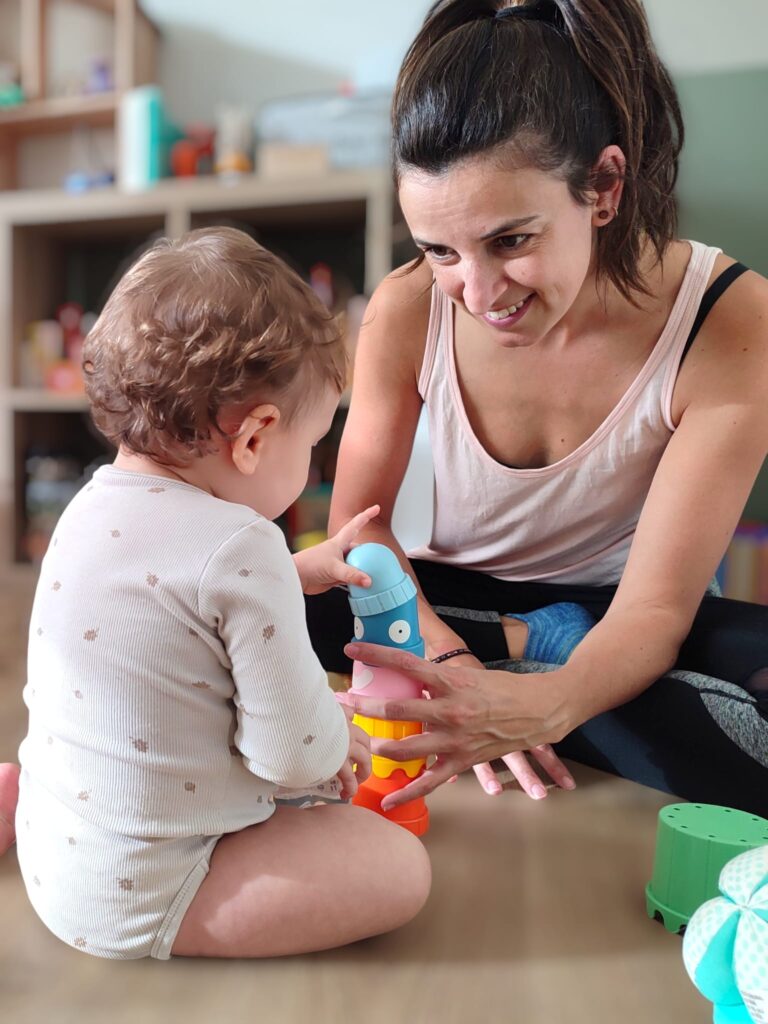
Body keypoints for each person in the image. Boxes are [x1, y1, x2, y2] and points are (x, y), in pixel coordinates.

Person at [306, 0, 768, 814]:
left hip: (622, 619)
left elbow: (657, 609)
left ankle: (550, 681)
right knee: (280, 603)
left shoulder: (730, 319)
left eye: (510, 241)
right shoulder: (405, 308)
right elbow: (357, 538)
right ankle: (529, 655)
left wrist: (542, 705)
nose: (478, 293)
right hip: (447, 605)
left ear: (604, 186)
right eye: (440, 250)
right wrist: (453, 667)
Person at [9, 227, 430, 959]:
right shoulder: (243, 546)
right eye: (314, 444)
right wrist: (335, 737)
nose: (312, 464)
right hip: (154, 889)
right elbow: (292, 762)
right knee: (399, 866)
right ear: (255, 437)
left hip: (56, 850)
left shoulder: (90, 506)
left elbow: (170, 603)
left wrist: (291, 573)